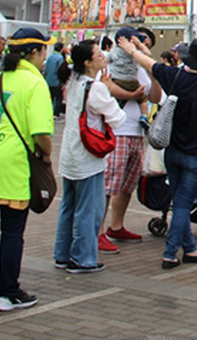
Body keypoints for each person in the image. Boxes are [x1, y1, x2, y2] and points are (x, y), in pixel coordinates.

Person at [118, 35, 197, 269]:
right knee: (182, 204)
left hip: (173, 151)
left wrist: (132, 50)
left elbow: (149, 64)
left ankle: (190, 249)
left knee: (179, 199)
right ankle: (170, 253)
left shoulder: (176, 77)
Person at [0, 27, 54, 311]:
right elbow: (42, 133)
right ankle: (8, 292)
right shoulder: (35, 84)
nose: (46, 55)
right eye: (44, 49)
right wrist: (46, 156)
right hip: (13, 165)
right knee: (11, 231)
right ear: (33, 53)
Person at [53, 41, 125, 274]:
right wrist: (108, 89)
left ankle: (62, 254)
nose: (103, 56)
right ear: (87, 61)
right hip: (88, 156)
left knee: (69, 206)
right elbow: (117, 118)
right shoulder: (95, 88)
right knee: (88, 209)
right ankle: (82, 258)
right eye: (98, 54)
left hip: (70, 154)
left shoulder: (73, 82)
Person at [98, 28, 161, 254]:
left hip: (137, 132)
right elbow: (105, 85)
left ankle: (116, 226)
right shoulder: (109, 61)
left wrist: (152, 72)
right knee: (108, 185)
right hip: (118, 131)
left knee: (127, 184)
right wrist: (131, 96)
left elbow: (154, 97)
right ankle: (98, 232)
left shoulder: (141, 68)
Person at [107, 27, 150, 130]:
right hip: (132, 82)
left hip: (117, 81)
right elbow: (148, 54)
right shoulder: (134, 54)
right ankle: (144, 116)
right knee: (143, 99)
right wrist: (139, 46)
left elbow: (106, 60)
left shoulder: (114, 52)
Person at [44, 42, 65, 117]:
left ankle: (49, 112)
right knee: (58, 98)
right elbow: (61, 70)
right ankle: (55, 113)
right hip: (56, 81)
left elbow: (46, 69)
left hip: (48, 81)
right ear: (61, 49)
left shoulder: (50, 57)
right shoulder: (60, 58)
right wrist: (62, 82)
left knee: (50, 98)